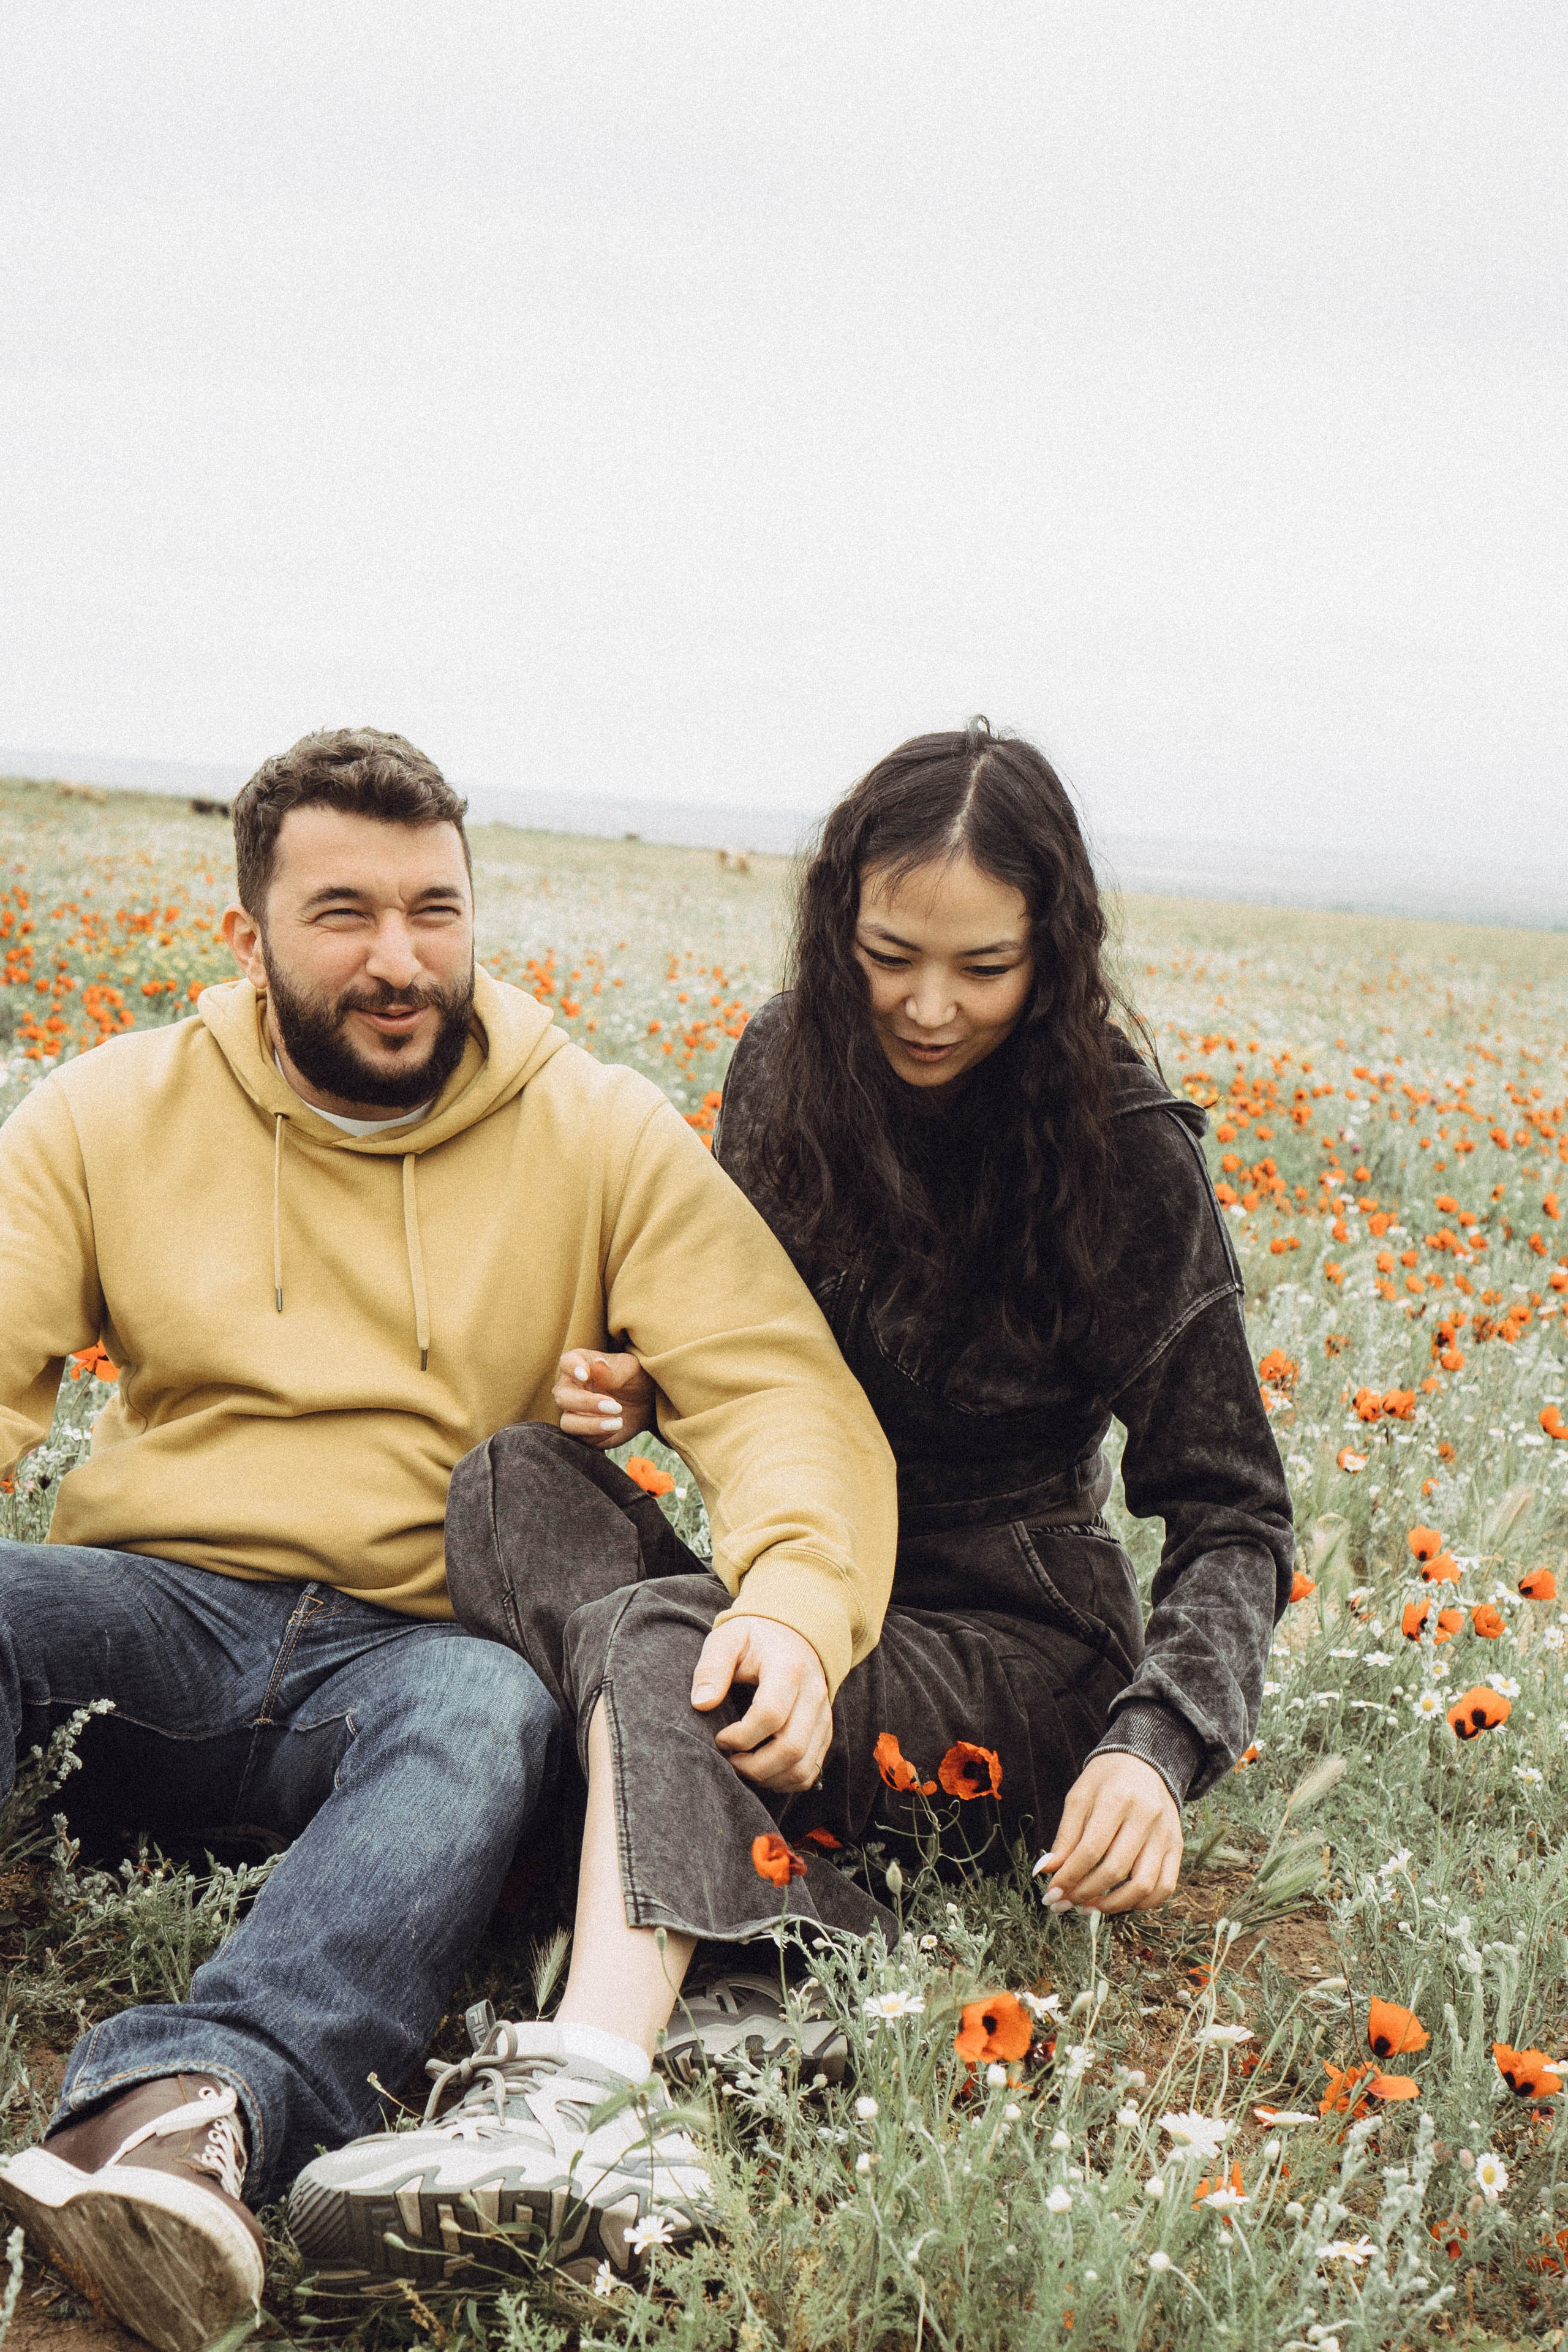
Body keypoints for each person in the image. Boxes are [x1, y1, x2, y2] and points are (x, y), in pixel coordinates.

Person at [285, 720, 1293, 2294]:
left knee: (676, 1644)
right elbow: (742, 1343)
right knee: (508, 1484)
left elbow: (1233, 1513)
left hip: (1004, 1644)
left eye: (983, 968)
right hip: (800, 1585)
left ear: (1052, 955)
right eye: (891, 957)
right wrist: (650, 1383)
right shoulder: (783, 1066)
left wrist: (1153, 1747)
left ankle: (582, 2098)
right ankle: (793, 1960)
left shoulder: (1123, 1153)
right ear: (838, 926)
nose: (929, 1006)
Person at [0, 729, 897, 2349]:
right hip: (154, 1619)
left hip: (416, 1666)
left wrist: (794, 1596)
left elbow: (778, 1389)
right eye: (342, 913)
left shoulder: (594, 1130)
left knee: (490, 1709)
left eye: (434, 909)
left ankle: (191, 2112)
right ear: (249, 935)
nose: (399, 960)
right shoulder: (107, 1114)